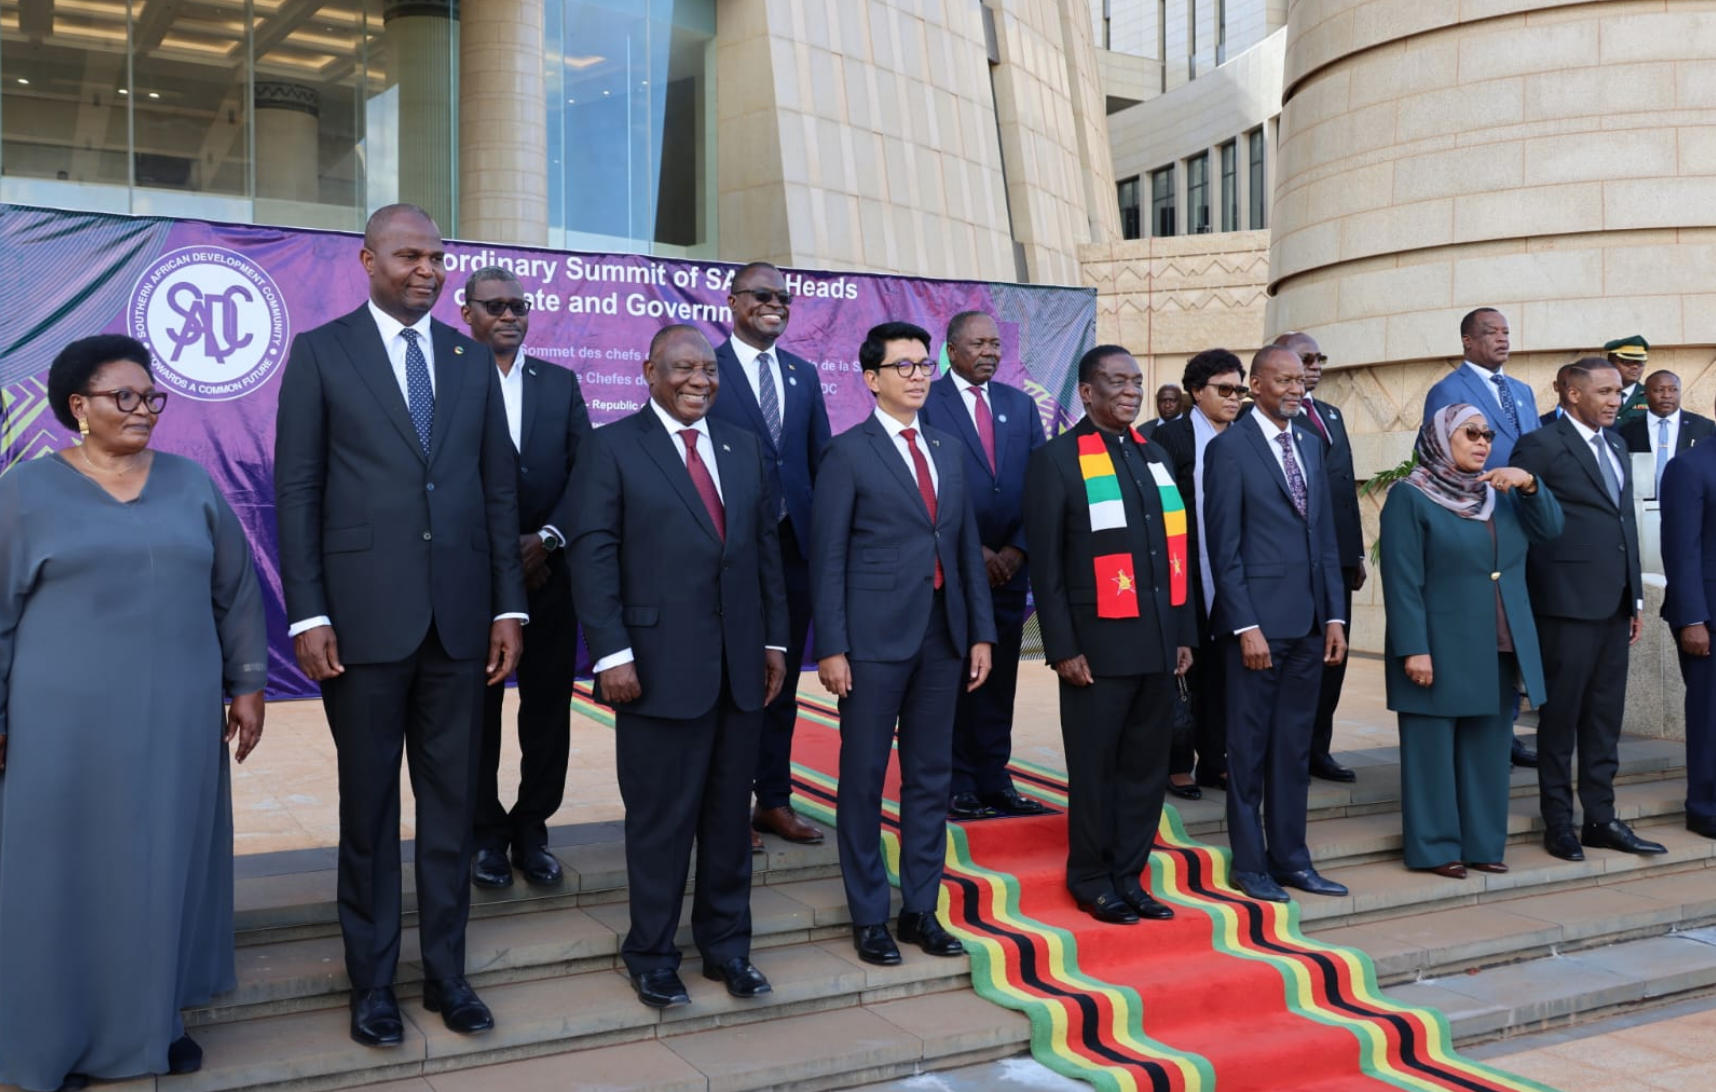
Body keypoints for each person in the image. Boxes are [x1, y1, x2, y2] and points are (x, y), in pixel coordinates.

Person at [274, 203, 526, 1047]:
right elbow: (297, 491)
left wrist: (507, 605)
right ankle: (373, 985)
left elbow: (497, 491)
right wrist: (309, 610)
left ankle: (448, 976)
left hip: (460, 628)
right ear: (368, 261)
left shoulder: (469, 357)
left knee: (452, 811)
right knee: (370, 811)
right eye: (410, 256)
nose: (428, 270)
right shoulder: (321, 352)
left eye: (437, 258)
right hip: (361, 625)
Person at [0, 335, 266, 1091]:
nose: (144, 409)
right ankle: (53, 1039)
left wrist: (247, 682)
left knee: (162, 863)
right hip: (60, 726)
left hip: (179, 720)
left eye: (152, 397)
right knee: (60, 873)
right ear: (77, 406)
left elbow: (236, 590)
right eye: (125, 396)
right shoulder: (24, 492)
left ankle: (156, 1022)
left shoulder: (190, 483)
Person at [568, 324, 788, 1009]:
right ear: (650, 372)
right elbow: (593, 556)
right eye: (684, 368)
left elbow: (763, 554)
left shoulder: (744, 447)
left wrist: (775, 643)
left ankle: (727, 949)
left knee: (728, 822)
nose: (700, 380)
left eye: (710, 369)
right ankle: (653, 955)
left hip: (738, 670)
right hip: (654, 671)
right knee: (660, 824)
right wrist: (612, 653)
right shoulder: (611, 447)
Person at [811, 321, 995, 966]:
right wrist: (831, 647)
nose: (918, 376)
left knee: (929, 779)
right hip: (870, 643)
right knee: (863, 779)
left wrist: (980, 633)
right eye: (904, 366)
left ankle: (920, 909)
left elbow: (964, 546)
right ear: (872, 379)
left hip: (943, 638)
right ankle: (869, 916)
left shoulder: (947, 447)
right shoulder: (847, 453)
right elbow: (827, 556)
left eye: (924, 365)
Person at [1023, 345, 1196, 925]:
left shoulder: (1154, 455)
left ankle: (1129, 876)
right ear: (1086, 392)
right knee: (1096, 772)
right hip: (1095, 651)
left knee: (1145, 773)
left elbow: (1175, 554)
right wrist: (1062, 647)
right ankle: (1093, 880)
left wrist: (1183, 633)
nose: (1131, 391)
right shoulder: (1056, 461)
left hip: (1157, 643)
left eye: (1136, 381)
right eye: (1117, 381)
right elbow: (1046, 567)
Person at [1381, 405, 1563, 878]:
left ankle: (1482, 844)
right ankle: (1435, 849)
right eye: (1471, 433)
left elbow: (1551, 530)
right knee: (1431, 753)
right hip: (1438, 646)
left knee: (1487, 751)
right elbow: (1402, 580)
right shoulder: (1410, 495)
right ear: (1441, 439)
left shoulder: (1497, 495)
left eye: (1487, 434)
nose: (1483, 442)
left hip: (1498, 644)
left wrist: (1530, 484)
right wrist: (1414, 648)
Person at [459, 267, 592, 890]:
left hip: (550, 574)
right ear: (467, 313)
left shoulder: (559, 384)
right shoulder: (448, 378)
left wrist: (548, 539)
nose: (509, 315)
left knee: (547, 711)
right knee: (474, 714)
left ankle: (532, 829)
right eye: (495, 306)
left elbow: (587, 475)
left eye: (519, 305)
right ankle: (484, 833)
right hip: (472, 579)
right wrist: (499, 557)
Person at [1203, 344, 1348, 903]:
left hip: (1309, 625)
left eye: (1299, 381)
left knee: (1291, 749)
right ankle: (1251, 864)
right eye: (1283, 380)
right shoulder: (1229, 448)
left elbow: (1325, 538)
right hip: (1257, 630)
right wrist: (1245, 626)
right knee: (1249, 750)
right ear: (1256, 386)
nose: (1295, 388)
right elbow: (1223, 548)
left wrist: (1333, 616)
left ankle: (1293, 860)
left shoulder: (1310, 443)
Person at [1510, 358, 1664, 861]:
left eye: (1617, 392)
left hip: (1615, 604)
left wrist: (1635, 596)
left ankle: (1601, 818)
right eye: (1604, 392)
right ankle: (1559, 822)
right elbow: (1524, 523)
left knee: (1603, 718)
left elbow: (1624, 524)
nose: (1616, 400)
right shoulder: (1539, 444)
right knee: (1560, 719)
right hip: (1563, 605)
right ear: (1572, 394)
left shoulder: (1616, 444)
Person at [705, 261, 832, 850]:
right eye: (762, 294)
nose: (775, 304)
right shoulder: (705, 366)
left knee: (780, 681)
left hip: (793, 550)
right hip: (727, 546)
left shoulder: (804, 374)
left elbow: (818, 461)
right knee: (727, 681)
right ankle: (724, 807)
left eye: (784, 296)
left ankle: (772, 801)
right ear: (733, 301)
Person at [920, 310, 1046, 820]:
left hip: (1010, 570)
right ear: (951, 350)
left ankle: (994, 776)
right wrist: (974, 550)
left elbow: (1040, 482)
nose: (990, 352)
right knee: (954, 674)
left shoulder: (1019, 404)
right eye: (978, 344)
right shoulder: (927, 401)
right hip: (952, 566)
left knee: (1000, 677)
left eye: (995, 343)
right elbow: (925, 484)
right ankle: (957, 780)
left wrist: (1018, 549)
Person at [1423, 306, 1540, 768]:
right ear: (1467, 341)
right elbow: (1437, 460)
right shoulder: (1447, 389)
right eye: (1491, 332)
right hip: (1477, 525)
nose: (1502, 338)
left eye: (1506, 331)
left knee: (1513, 635)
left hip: (1521, 524)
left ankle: (1505, 730)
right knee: (1487, 633)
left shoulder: (1522, 390)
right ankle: (1486, 736)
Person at [1154, 349, 1246, 800]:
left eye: (1239, 390)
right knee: (1183, 670)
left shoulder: (1247, 435)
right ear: (1196, 390)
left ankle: (1215, 760)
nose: (1234, 398)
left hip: (1234, 572)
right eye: (1224, 389)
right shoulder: (1169, 437)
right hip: (1184, 569)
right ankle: (1176, 763)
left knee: (1225, 672)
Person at [1278, 331, 1365, 783]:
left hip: (1338, 559)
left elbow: (1345, 488)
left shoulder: (1330, 413)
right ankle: (1289, 751)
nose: (1314, 367)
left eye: (1318, 359)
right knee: (1301, 660)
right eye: (1305, 359)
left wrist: (1356, 552)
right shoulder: (1273, 419)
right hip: (1297, 562)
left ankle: (1319, 749)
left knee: (1335, 657)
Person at [1659, 416, 1716, 840]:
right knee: (1709, 717)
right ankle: (1704, 807)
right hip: (1708, 619)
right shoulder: (1689, 466)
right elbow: (1680, 550)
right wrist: (1692, 618)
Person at [1620, 370, 1714, 499]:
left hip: (1690, 502)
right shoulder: (1628, 430)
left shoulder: (1703, 427)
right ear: (1646, 394)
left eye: (1673, 390)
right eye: (1659, 390)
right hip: (1641, 505)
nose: (1666, 395)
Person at [1607, 335, 1650, 425]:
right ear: (1611, 362)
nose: (1635, 366)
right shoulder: (1598, 393)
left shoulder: (1649, 396)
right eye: (1628, 362)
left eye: (1640, 362)